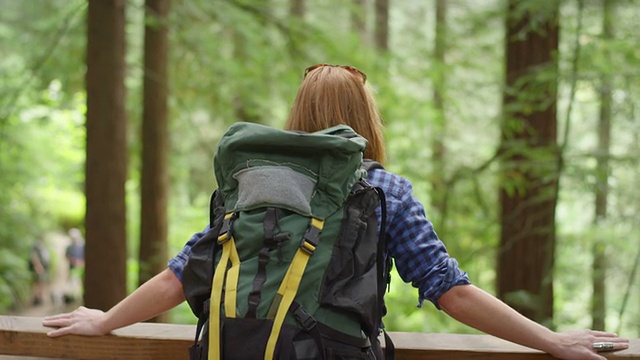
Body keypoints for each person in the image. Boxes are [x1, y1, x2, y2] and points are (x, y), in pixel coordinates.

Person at [43, 64, 629, 359]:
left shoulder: (252, 183)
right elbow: (451, 291)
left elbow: (184, 273)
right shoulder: (381, 189)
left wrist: (105, 321)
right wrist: (552, 341)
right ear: (366, 119)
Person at [29, 239, 51, 306]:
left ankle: (38, 298)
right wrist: (38, 267)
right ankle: (37, 298)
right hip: (39, 269)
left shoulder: (41, 249)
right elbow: (34, 258)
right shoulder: (37, 250)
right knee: (38, 284)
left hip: (41, 269)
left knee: (39, 283)